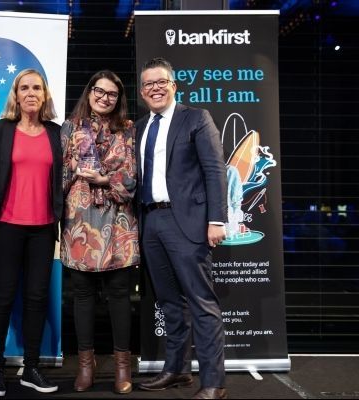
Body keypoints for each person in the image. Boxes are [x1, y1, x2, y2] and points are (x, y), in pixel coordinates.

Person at [135, 57, 228, 400]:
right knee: (169, 303)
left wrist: (216, 220)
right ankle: (177, 370)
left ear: (174, 86)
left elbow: (215, 170)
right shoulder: (139, 128)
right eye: (149, 84)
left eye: (161, 82)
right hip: (150, 221)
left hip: (187, 221)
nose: (155, 88)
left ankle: (214, 383)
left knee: (201, 302)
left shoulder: (196, 118)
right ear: (142, 92)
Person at [0, 69, 63, 397]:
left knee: (36, 298)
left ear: (45, 95)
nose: (31, 93)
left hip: (43, 229)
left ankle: (31, 367)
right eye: (24, 88)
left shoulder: (56, 133)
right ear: (15, 95)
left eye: (37, 88)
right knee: (2, 298)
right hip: (5, 228)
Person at [60, 70, 139, 394]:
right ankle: (85, 365)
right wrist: (73, 169)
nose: (105, 98)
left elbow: (134, 175)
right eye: (100, 91)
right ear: (89, 91)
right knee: (82, 295)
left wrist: (105, 180)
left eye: (112, 94)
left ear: (119, 99)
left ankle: (122, 366)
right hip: (80, 221)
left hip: (118, 221)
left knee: (119, 294)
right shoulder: (70, 127)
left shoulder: (129, 129)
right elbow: (57, 173)